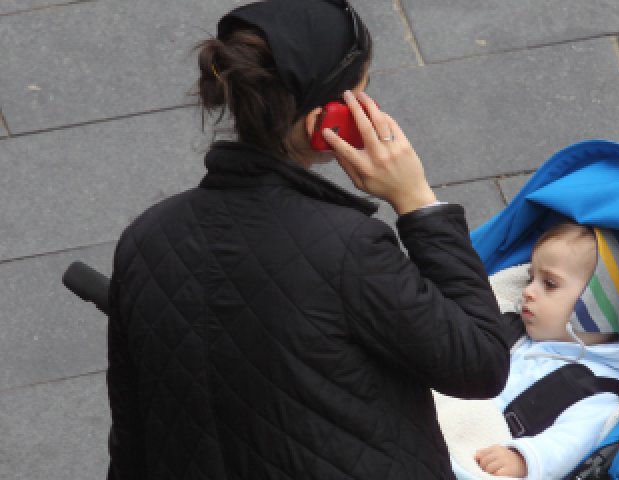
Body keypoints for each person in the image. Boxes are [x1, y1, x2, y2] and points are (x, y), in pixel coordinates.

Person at [105, 1, 519, 479]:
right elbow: (481, 360)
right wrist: (416, 201)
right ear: (324, 122)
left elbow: (131, 433)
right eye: (362, 95)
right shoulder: (348, 249)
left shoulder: (145, 239)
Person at [451, 222, 619, 479]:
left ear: (597, 311)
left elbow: (568, 443)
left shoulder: (597, 391)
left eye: (549, 284)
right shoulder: (512, 329)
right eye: (531, 279)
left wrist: (523, 458)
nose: (528, 291)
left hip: (474, 457)